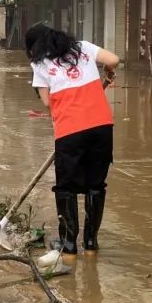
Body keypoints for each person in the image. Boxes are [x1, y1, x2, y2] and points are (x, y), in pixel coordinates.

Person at [26, 24, 120, 256]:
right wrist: (107, 73)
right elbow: (115, 59)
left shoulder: (39, 64)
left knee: (66, 187)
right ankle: (90, 243)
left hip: (70, 130)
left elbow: (48, 103)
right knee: (96, 184)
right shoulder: (83, 48)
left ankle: (68, 243)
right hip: (101, 126)